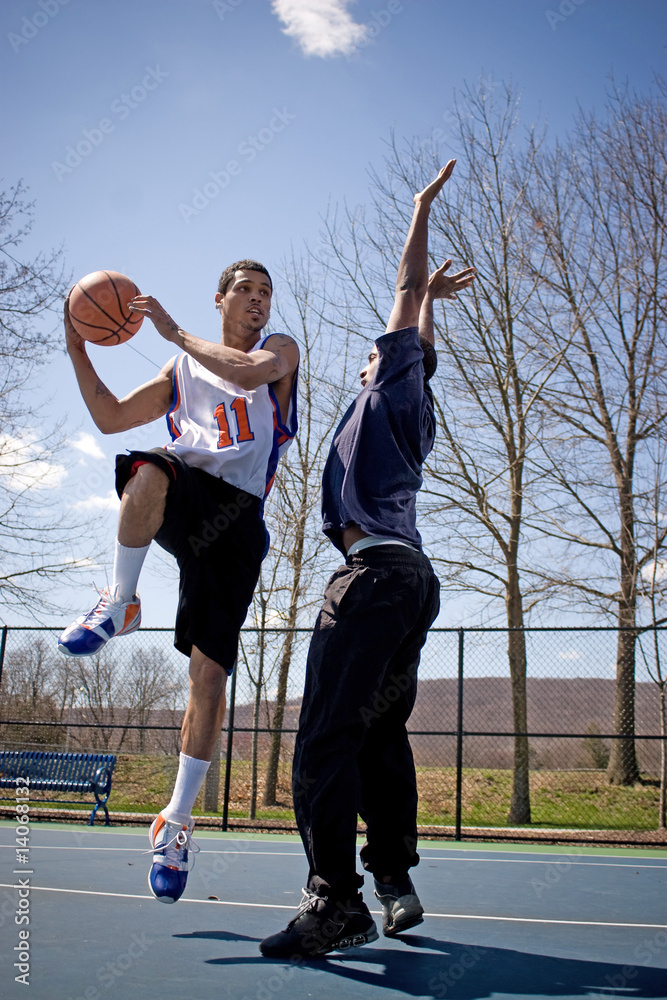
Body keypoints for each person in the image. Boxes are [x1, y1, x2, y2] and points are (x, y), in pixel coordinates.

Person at [259, 164, 474, 958]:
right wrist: (427, 314)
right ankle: (392, 878)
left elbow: (406, 287)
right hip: (409, 581)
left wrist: (418, 216)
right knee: (379, 734)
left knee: (322, 739)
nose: (373, 351)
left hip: (377, 579)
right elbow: (418, 326)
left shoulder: (393, 383)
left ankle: (334, 902)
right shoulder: (403, 404)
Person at [58, 260, 299, 904]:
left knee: (210, 680)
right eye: (244, 290)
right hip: (188, 495)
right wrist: (79, 348)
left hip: (238, 520)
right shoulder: (181, 371)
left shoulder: (279, 351)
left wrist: (172, 331)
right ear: (219, 298)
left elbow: (246, 373)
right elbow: (109, 416)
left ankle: (176, 820)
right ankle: (120, 599)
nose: (257, 300)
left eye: (265, 293)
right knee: (145, 470)